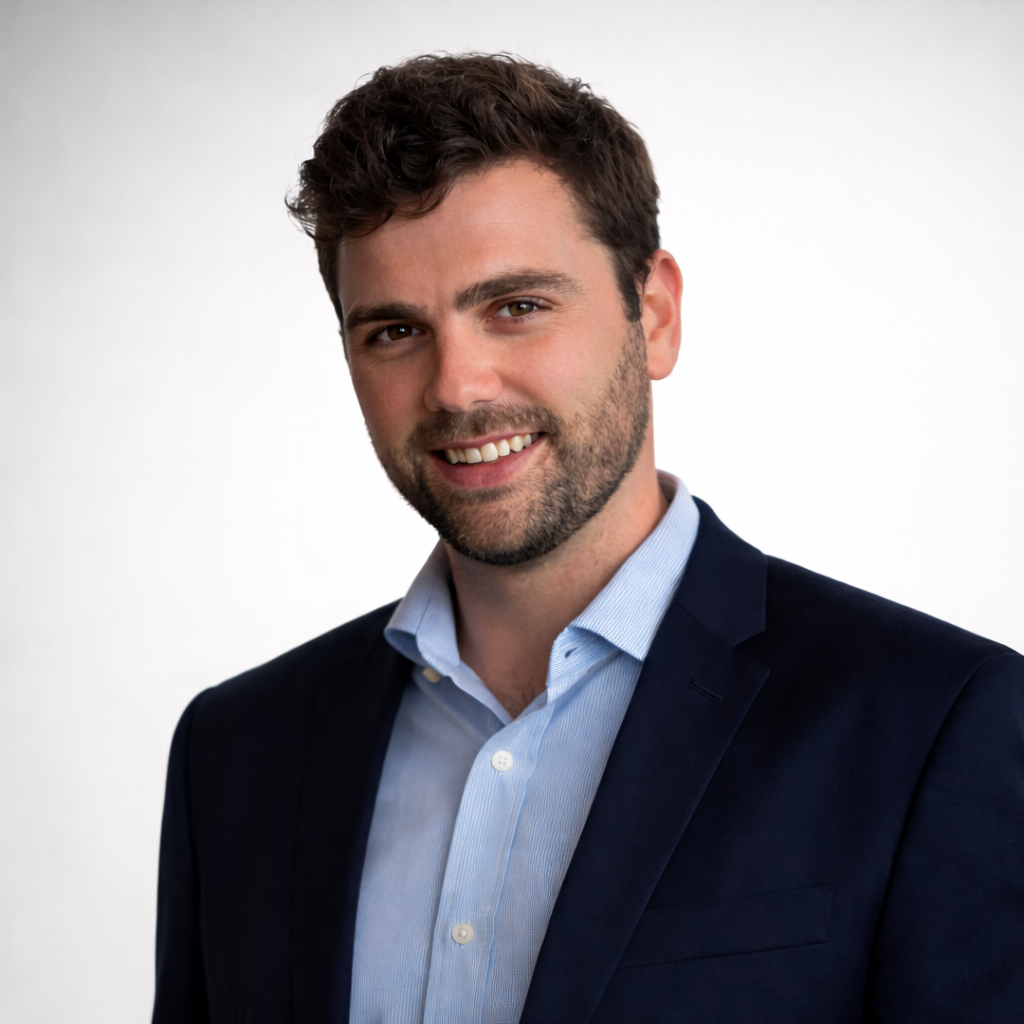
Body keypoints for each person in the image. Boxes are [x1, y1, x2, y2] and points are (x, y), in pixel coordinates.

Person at [152, 54, 1024, 1024]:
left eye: (516, 307)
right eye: (394, 331)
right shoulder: (232, 757)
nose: (457, 387)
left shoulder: (928, 725)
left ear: (652, 314)